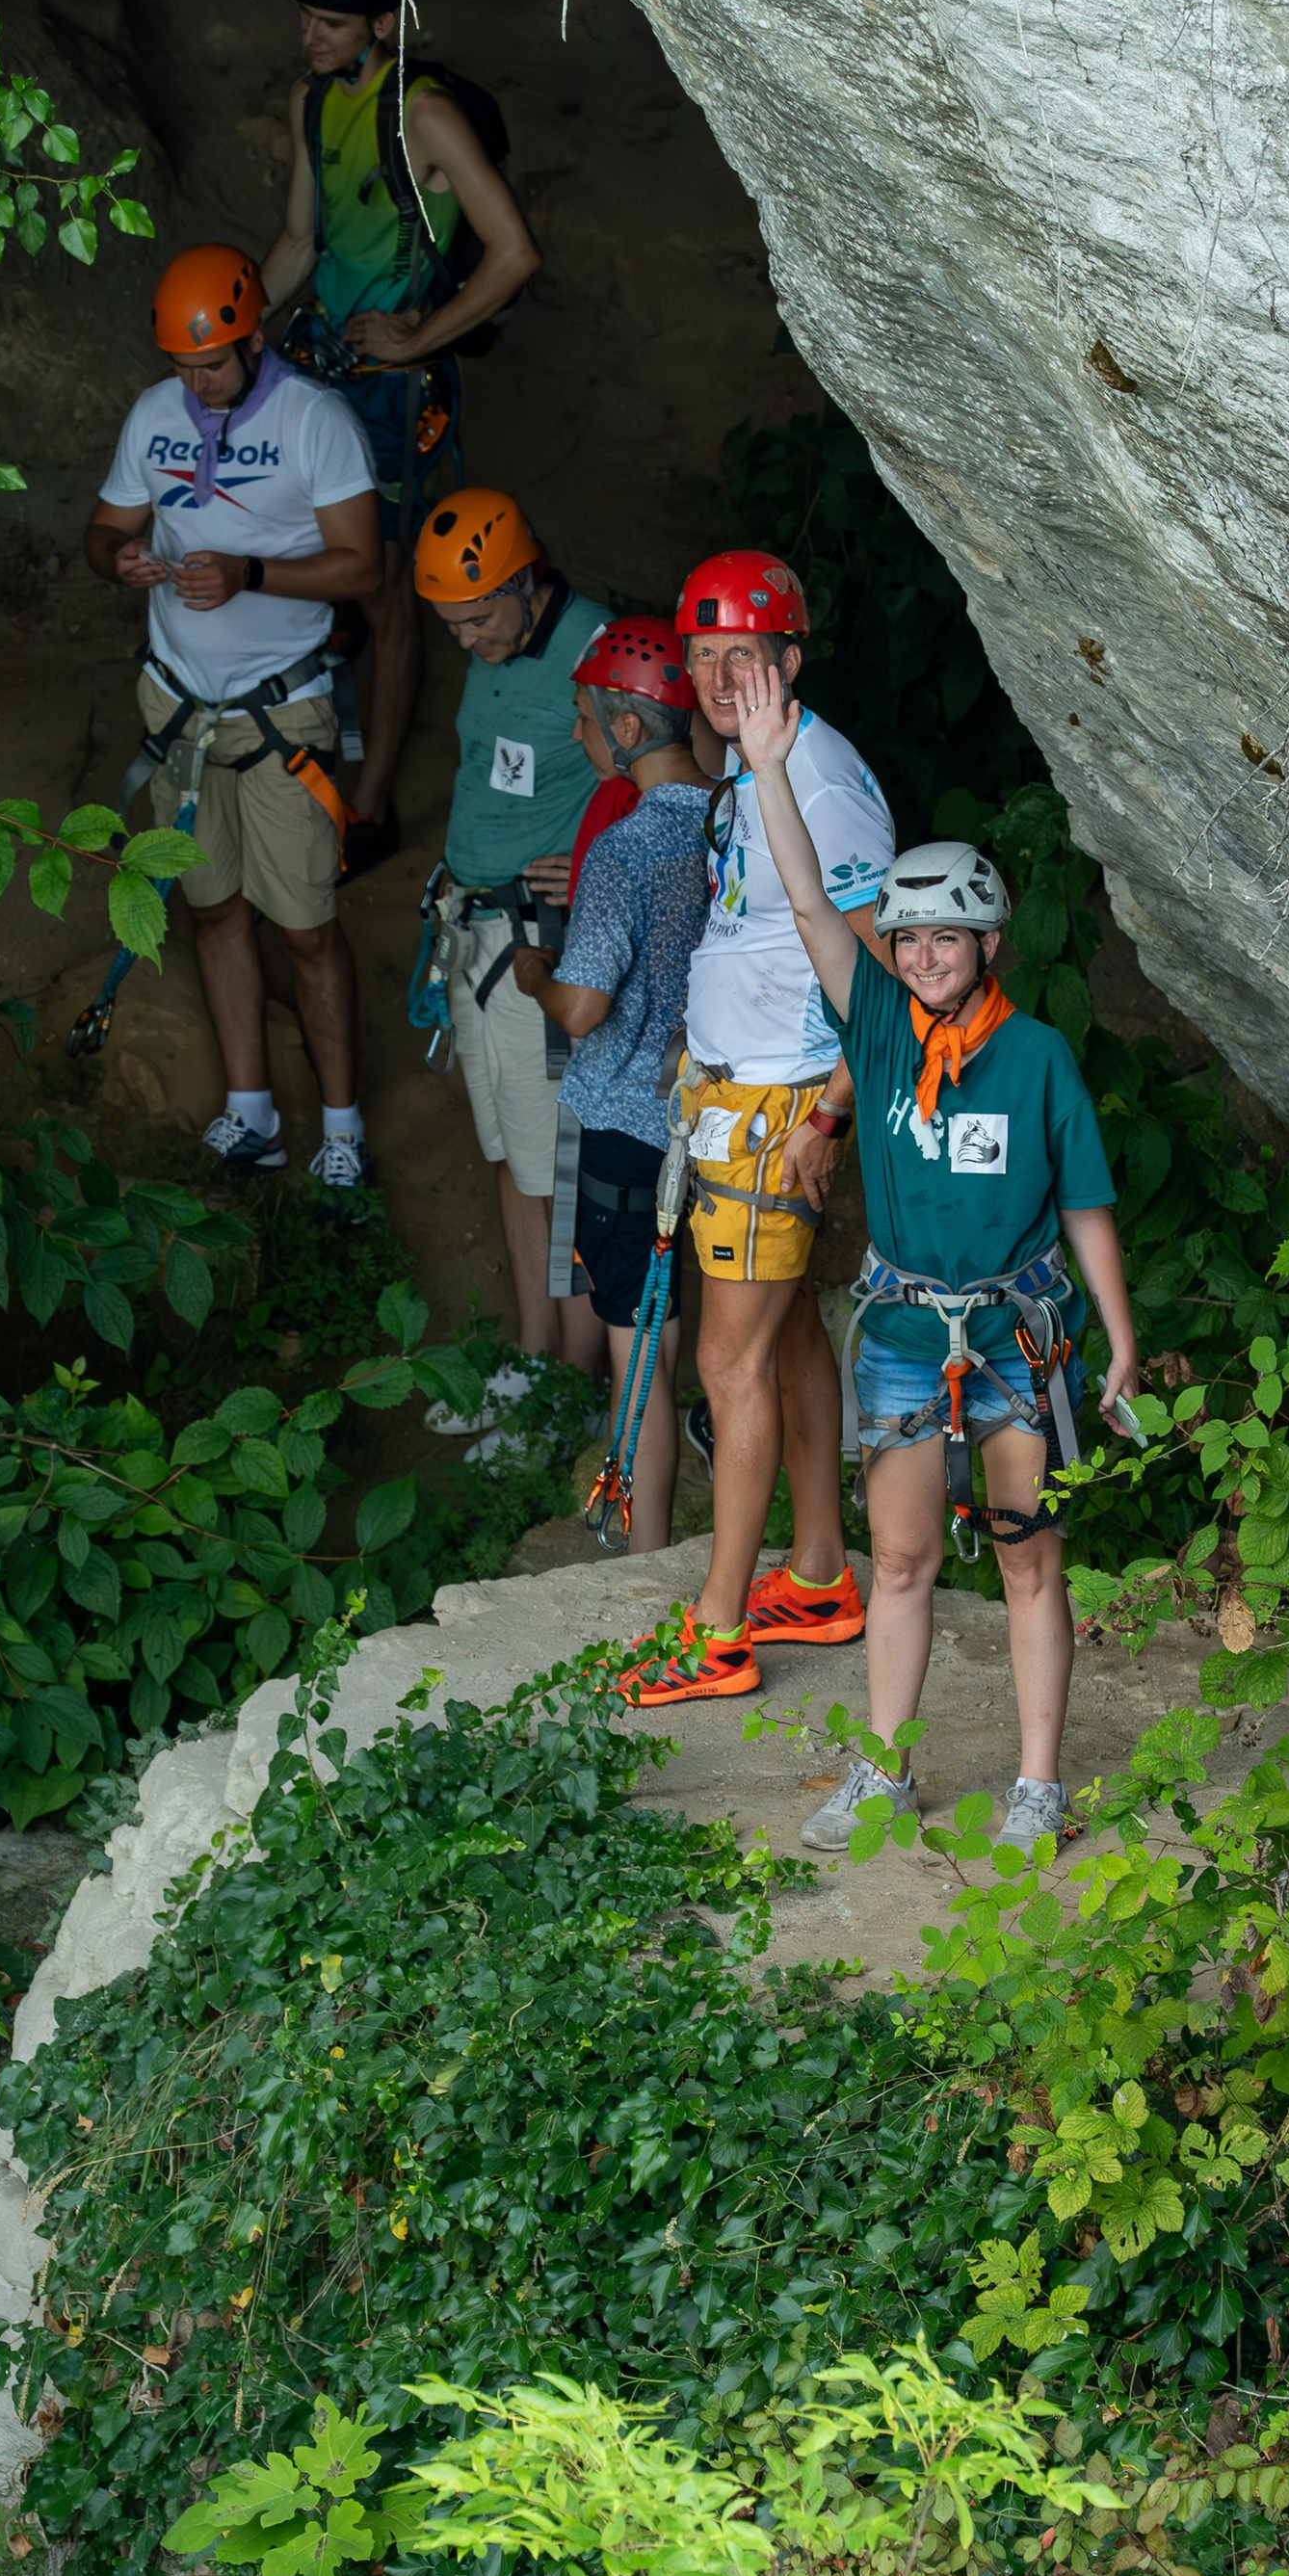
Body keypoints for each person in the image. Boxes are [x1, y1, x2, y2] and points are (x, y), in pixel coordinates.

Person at [733, 658, 1140, 1853]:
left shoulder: (1037, 1058)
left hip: (1016, 1331)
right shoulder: (875, 1029)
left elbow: (1084, 1205)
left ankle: (1035, 1786)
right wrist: (767, 766)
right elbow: (811, 906)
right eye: (908, 938)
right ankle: (884, 1770)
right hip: (910, 1329)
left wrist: (1120, 1338)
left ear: (988, 941)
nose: (921, 956)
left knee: (1026, 1560)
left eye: (945, 938)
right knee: (901, 1558)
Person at [621, 550, 891, 1711]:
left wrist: (831, 1108)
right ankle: (822, 1573)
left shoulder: (818, 780)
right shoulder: (753, 763)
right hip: (743, 1101)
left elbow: (879, 966)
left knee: (725, 1361)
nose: (724, 676)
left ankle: (720, 1629)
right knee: (779, 1345)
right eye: (704, 656)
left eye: (747, 654)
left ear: (792, 658)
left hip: (781, 1111)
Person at [85, 245, 383, 1189]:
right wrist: (120, 560)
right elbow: (103, 530)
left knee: (305, 929)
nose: (196, 382)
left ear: (253, 340)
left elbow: (363, 567)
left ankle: (342, 1129)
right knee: (211, 913)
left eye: (210, 364)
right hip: (178, 702)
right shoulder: (154, 415)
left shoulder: (314, 422)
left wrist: (251, 572)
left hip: (279, 713)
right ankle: (249, 1113)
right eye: (182, 365)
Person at [258, 0, 540, 870]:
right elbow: (302, 241)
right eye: (304, 18)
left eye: (330, 23)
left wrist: (420, 334)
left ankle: (368, 804)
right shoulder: (310, 99)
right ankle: (318, 685)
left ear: (383, 19)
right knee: (313, 550)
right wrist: (225, 335)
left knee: (383, 594)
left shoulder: (423, 115)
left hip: (390, 392)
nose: (310, 39)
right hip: (322, 369)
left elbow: (513, 253)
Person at [510, 619, 710, 1551]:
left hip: (625, 1126)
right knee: (664, 1326)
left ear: (626, 731)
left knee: (637, 1353)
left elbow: (584, 1008)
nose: (580, 738)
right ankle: (653, 1538)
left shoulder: (625, 850)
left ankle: (646, 1556)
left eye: (585, 722)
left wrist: (532, 976)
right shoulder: (729, 821)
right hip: (706, 1116)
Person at [414, 486, 612, 1363]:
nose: (464, 641)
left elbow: (676, 776)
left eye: (473, 620)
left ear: (522, 582)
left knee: (556, 1165)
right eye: (450, 624)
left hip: (535, 938)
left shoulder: (596, 650)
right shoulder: (495, 640)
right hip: (473, 928)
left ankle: (568, 1371)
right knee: (511, 1153)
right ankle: (536, 1352)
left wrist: (597, 859)